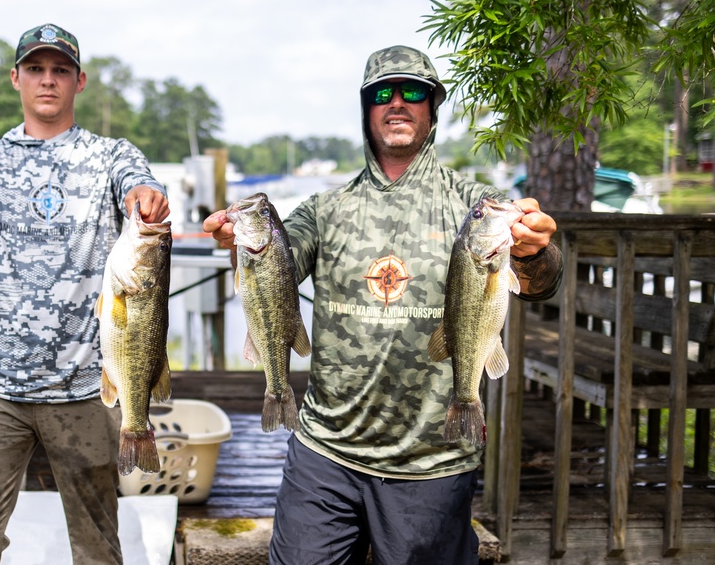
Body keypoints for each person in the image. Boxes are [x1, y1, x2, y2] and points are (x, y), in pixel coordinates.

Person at [203, 45, 563, 565]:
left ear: (432, 109)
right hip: (326, 451)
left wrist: (535, 251)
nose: (397, 103)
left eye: (413, 92)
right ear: (366, 110)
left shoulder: (477, 206)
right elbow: (281, 258)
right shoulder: (325, 208)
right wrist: (240, 238)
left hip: (432, 461)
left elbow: (542, 281)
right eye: (382, 94)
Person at [0, 22, 170, 565]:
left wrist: (147, 197)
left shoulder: (110, 153)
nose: (48, 80)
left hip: (87, 387)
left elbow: (139, 183)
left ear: (80, 81)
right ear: (16, 78)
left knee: (97, 547)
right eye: (37, 69)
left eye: (60, 70)